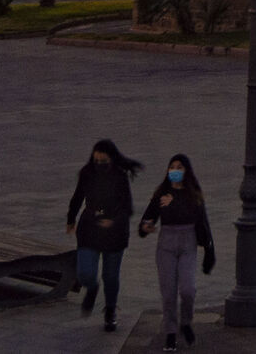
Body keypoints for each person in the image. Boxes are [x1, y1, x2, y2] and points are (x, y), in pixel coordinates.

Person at [139, 154, 216, 350]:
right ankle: (171, 332)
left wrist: (209, 250)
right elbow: (147, 219)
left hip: (188, 242)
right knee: (168, 293)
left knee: (188, 290)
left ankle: (186, 322)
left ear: (186, 171)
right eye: (172, 167)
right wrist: (146, 226)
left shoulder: (194, 194)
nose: (175, 170)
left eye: (179, 167)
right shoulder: (161, 194)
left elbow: (203, 223)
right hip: (166, 243)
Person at [66, 138, 140, 331]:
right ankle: (91, 287)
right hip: (90, 227)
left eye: (103, 160)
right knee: (84, 272)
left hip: (115, 231)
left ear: (111, 159)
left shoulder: (120, 177)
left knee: (111, 276)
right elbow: (77, 197)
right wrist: (71, 219)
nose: (99, 164)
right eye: (96, 160)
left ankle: (110, 311)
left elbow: (128, 208)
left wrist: (113, 221)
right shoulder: (87, 173)